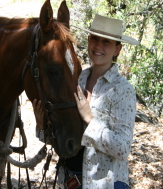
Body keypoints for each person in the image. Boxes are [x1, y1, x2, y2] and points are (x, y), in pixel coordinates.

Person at [33, 14, 139, 189]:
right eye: (94, 39)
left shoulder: (122, 89)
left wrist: (90, 119)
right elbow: (68, 135)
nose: (98, 45)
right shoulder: (78, 78)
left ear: (117, 49)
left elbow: (122, 148)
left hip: (105, 184)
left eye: (106, 42)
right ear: (89, 41)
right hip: (71, 181)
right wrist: (43, 127)